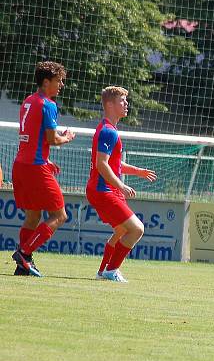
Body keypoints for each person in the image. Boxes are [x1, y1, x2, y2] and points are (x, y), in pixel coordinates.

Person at [11, 61, 75, 277]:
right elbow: (52, 138)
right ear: (46, 82)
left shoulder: (28, 101)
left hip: (21, 165)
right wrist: (66, 138)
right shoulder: (48, 104)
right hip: (35, 168)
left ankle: (24, 265)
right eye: (59, 81)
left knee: (33, 216)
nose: (62, 85)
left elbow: (30, 139)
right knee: (60, 215)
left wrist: (45, 159)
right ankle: (24, 252)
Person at [87, 86, 157, 282]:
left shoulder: (108, 129)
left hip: (102, 189)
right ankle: (111, 270)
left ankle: (103, 271)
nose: (126, 104)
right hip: (103, 190)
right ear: (109, 104)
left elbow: (113, 164)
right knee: (137, 229)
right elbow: (102, 165)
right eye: (122, 101)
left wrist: (137, 172)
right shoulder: (109, 132)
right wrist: (120, 186)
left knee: (121, 231)